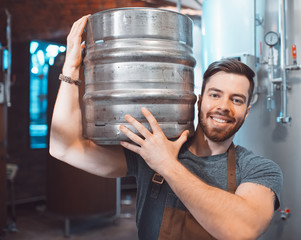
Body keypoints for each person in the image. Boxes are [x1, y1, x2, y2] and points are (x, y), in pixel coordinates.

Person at [50, 15, 283, 240]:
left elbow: (241, 229)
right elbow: (65, 147)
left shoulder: (259, 170)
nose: (224, 106)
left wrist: (167, 165)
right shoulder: (150, 150)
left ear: (247, 111)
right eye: (215, 95)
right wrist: (70, 70)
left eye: (237, 100)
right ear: (199, 100)